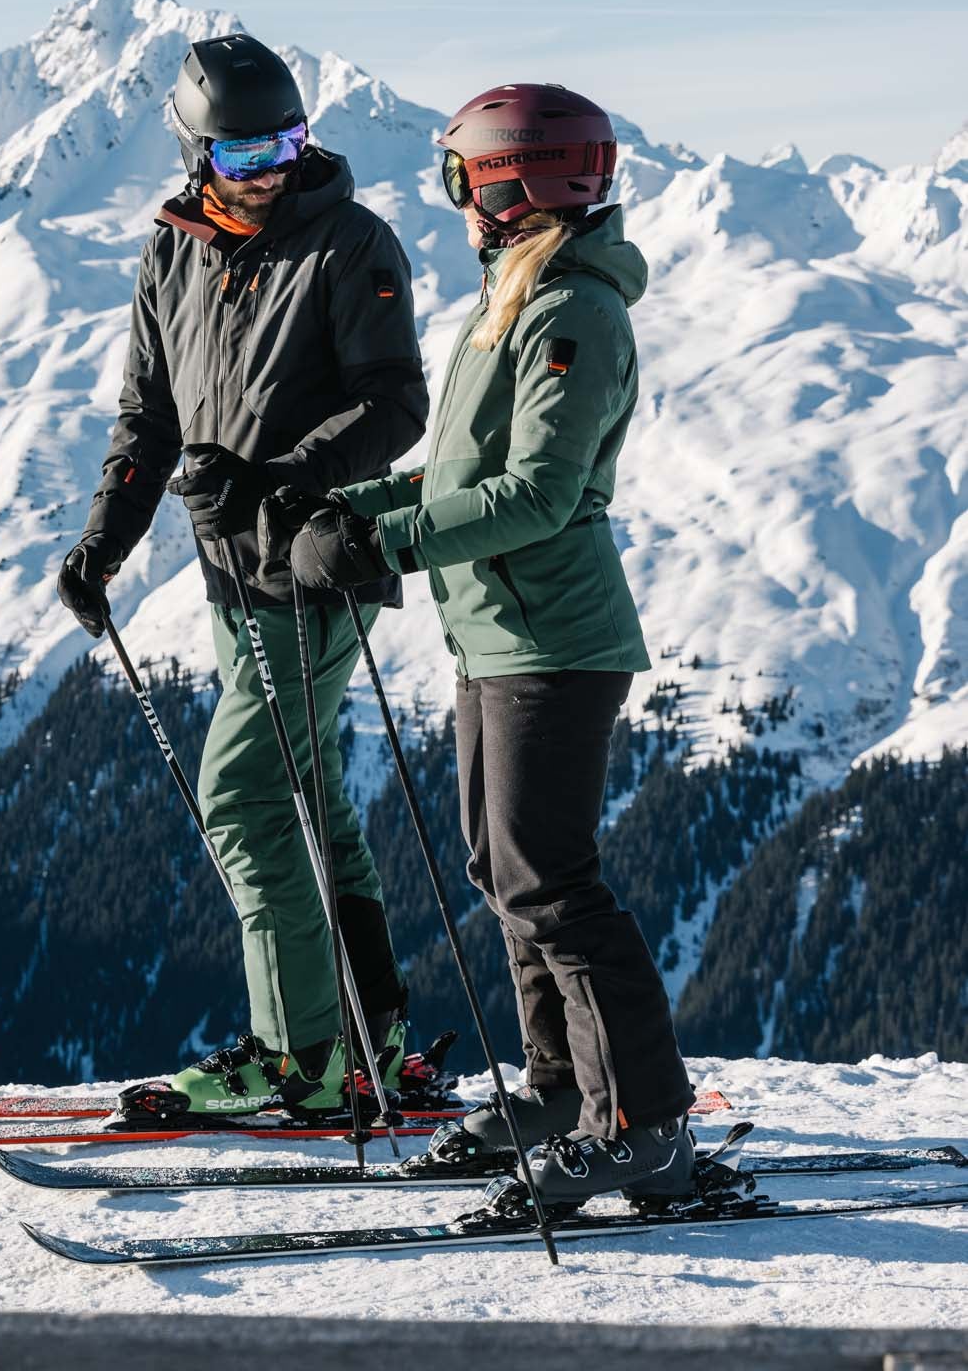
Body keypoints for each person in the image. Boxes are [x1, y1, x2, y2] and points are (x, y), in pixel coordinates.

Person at [291, 81, 696, 1209]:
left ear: (514, 184)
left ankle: (647, 1123)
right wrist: (343, 504)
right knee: (505, 874)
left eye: (461, 176)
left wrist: (386, 545)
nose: (453, 197)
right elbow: (460, 467)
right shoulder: (511, 299)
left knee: (551, 885)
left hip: (551, 640)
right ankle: (565, 1092)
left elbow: (535, 492)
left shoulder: (570, 313)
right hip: (493, 635)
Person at [56, 33, 430, 1117]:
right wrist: (100, 546)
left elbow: (395, 405)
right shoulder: (173, 251)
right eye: (241, 151)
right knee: (307, 793)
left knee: (242, 794)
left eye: (286, 141)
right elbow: (151, 418)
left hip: (309, 567)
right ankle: (368, 1030)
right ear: (193, 152)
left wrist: (270, 480)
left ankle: (299, 1054)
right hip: (229, 579)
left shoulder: (350, 244)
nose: (267, 168)